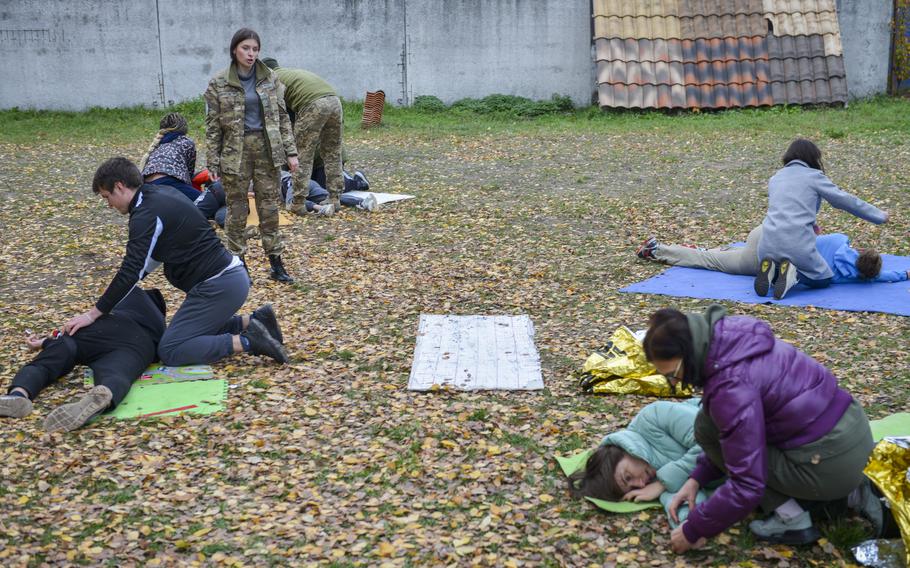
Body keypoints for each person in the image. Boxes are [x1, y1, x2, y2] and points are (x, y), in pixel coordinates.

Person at [642, 305, 883, 552]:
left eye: (674, 374)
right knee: (709, 421)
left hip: (831, 462)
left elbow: (747, 482)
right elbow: (735, 437)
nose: (674, 383)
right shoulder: (732, 340)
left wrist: (694, 530)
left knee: (706, 426)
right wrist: (697, 478)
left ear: (689, 355)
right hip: (856, 437)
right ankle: (847, 490)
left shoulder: (730, 387)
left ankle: (792, 519)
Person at [63, 157, 288, 371]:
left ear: (120, 186)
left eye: (106, 197)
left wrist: (93, 314)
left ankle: (249, 341)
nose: (108, 205)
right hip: (228, 278)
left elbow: (131, 269)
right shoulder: (158, 193)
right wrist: (123, 290)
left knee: (172, 348)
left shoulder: (146, 214)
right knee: (184, 332)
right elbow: (150, 259)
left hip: (218, 286)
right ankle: (256, 320)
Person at [204, 28, 298, 283]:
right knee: (237, 209)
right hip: (235, 152)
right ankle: (238, 264)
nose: (251, 54)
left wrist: (291, 152)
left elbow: (282, 118)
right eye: (246, 48)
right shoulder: (218, 83)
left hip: (268, 150)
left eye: (255, 49)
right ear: (235, 49)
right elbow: (213, 126)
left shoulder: (271, 80)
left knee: (269, 206)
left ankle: (276, 263)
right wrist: (212, 161)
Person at [0, 288, 165, 432]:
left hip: (105, 326)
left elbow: (102, 305)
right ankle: (104, 393)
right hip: (140, 345)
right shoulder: (158, 324)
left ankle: (19, 394)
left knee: (56, 355)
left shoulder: (131, 293)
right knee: (117, 373)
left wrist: (46, 342)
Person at [756, 138, 889, 299]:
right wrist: (879, 215)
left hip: (765, 244)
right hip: (795, 245)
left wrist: (812, 224)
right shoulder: (814, 176)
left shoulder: (775, 178)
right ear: (812, 157)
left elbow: (789, 208)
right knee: (824, 279)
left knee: (779, 265)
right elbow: (845, 200)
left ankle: (773, 271)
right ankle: (793, 274)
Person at [568, 399, 715, 526]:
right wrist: (688, 526)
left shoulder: (653, 417)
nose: (640, 485)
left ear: (622, 451)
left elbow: (714, 440)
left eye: (628, 477)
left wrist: (662, 484)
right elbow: (681, 497)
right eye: (632, 488)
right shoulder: (651, 479)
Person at [637, 228, 908, 283]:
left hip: (765, 235)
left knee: (732, 251)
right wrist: (905, 273)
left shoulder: (838, 240)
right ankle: (657, 250)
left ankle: (671, 249)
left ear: (859, 249)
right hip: (757, 264)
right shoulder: (844, 278)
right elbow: (885, 276)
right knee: (712, 262)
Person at [261, 57, 344, 213]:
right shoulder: (290, 73)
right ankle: (335, 198)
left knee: (302, 155)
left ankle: (298, 202)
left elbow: (280, 115)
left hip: (313, 104)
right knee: (332, 152)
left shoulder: (272, 79)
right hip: (334, 101)